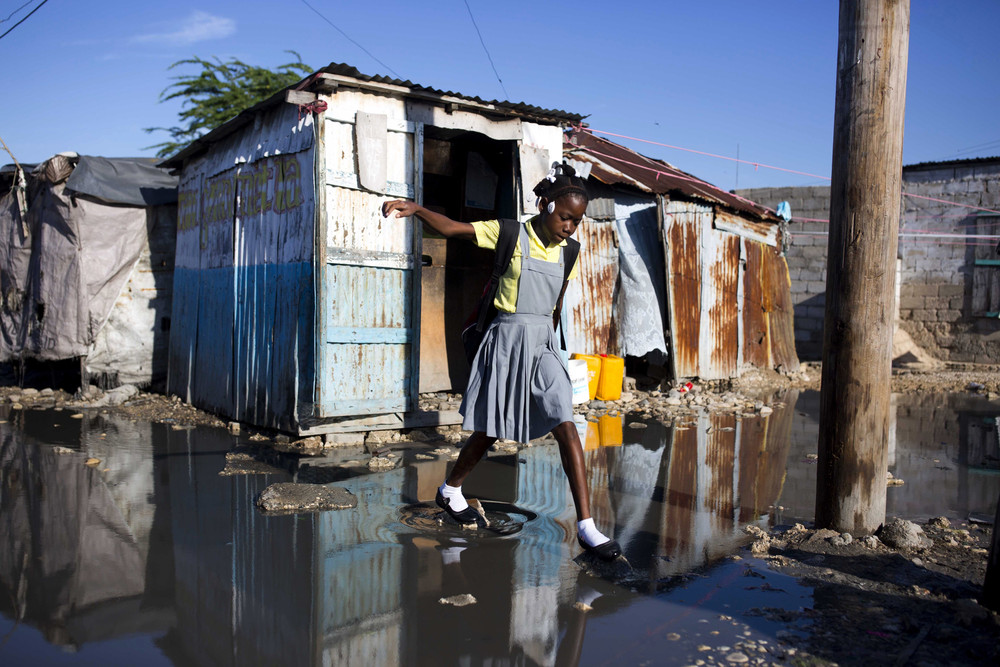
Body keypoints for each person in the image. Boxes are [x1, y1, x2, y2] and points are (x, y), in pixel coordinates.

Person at [381, 162, 621, 561]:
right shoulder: (511, 232)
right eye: (565, 217)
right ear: (546, 206)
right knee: (492, 427)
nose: (570, 227)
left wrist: (552, 350)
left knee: (565, 419)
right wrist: (418, 210)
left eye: (577, 221)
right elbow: (455, 229)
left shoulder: (571, 251)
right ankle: (451, 490)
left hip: (544, 341)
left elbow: (556, 302)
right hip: (507, 339)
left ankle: (586, 526)